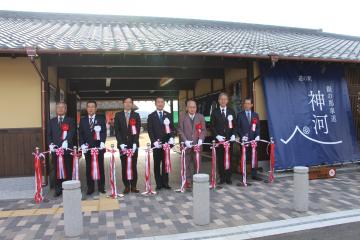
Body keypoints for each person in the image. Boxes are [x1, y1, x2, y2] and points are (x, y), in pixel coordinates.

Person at [48, 102, 76, 197]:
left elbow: (72, 132)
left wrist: (66, 141)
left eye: (62, 107)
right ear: (56, 110)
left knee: (68, 168)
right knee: (56, 169)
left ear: (65, 109)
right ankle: (58, 189)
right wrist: (50, 144)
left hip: (67, 149)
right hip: (56, 150)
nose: (60, 109)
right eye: (58, 107)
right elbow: (49, 135)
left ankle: (68, 188)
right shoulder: (52, 121)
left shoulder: (70, 120)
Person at [79, 100, 107, 195]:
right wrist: (82, 144)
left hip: (99, 148)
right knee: (89, 168)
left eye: (92, 107)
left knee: (100, 167)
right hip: (88, 148)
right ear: (86, 109)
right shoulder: (83, 120)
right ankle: (90, 187)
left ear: (96, 108)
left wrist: (102, 142)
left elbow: (103, 132)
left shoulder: (101, 119)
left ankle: (101, 187)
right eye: (89, 107)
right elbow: (81, 134)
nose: (90, 108)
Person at [147, 97, 175, 190]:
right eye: (158, 102)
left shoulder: (169, 115)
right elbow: (150, 130)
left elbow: (172, 128)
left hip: (166, 144)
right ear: (155, 103)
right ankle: (158, 183)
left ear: (164, 104)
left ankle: (165, 183)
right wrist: (154, 141)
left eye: (162, 102)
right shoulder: (151, 116)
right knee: (156, 164)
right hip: (156, 144)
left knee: (165, 163)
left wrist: (171, 137)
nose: (160, 104)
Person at [177, 99, 207, 189]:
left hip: (197, 145)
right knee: (186, 164)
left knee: (197, 163)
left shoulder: (200, 117)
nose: (192, 109)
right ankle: (188, 181)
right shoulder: (182, 117)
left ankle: (197, 179)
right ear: (187, 108)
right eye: (190, 107)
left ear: (196, 108)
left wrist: (201, 139)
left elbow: (203, 130)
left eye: (194, 107)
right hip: (186, 145)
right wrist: (185, 140)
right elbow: (179, 130)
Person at [114, 97, 141, 194]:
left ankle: (134, 186)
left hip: (133, 145)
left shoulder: (136, 115)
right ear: (123, 103)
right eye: (126, 102)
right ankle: (126, 186)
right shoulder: (118, 115)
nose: (128, 104)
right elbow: (116, 131)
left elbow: (137, 131)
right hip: (122, 146)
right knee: (124, 165)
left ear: (132, 104)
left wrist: (135, 143)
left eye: (130, 102)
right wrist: (121, 143)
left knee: (133, 165)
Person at [210, 92, 236, 185]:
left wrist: (233, 135)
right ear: (218, 100)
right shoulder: (214, 112)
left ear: (227, 101)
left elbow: (235, 125)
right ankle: (222, 177)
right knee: (220, 158)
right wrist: (217, 136)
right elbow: (211, 126)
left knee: (229, 158)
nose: (223, 101)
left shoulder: (231, 111)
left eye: (225, 99)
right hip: (219, 140)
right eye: (221, 99)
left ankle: (228, 177)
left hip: (229, 140)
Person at [236, 98, 262, 182]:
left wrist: (257, 135)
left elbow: (257, 127)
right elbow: (238, 127)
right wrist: (242, 136)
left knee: (254, 157)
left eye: (248, 103)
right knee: (244, 158)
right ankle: (244, 175)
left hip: (253, 141)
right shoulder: (240, 115)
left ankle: (254, 175)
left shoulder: (255, 115)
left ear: (251, 105)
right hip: (244, 141)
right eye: (245, 103)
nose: (246, 105)